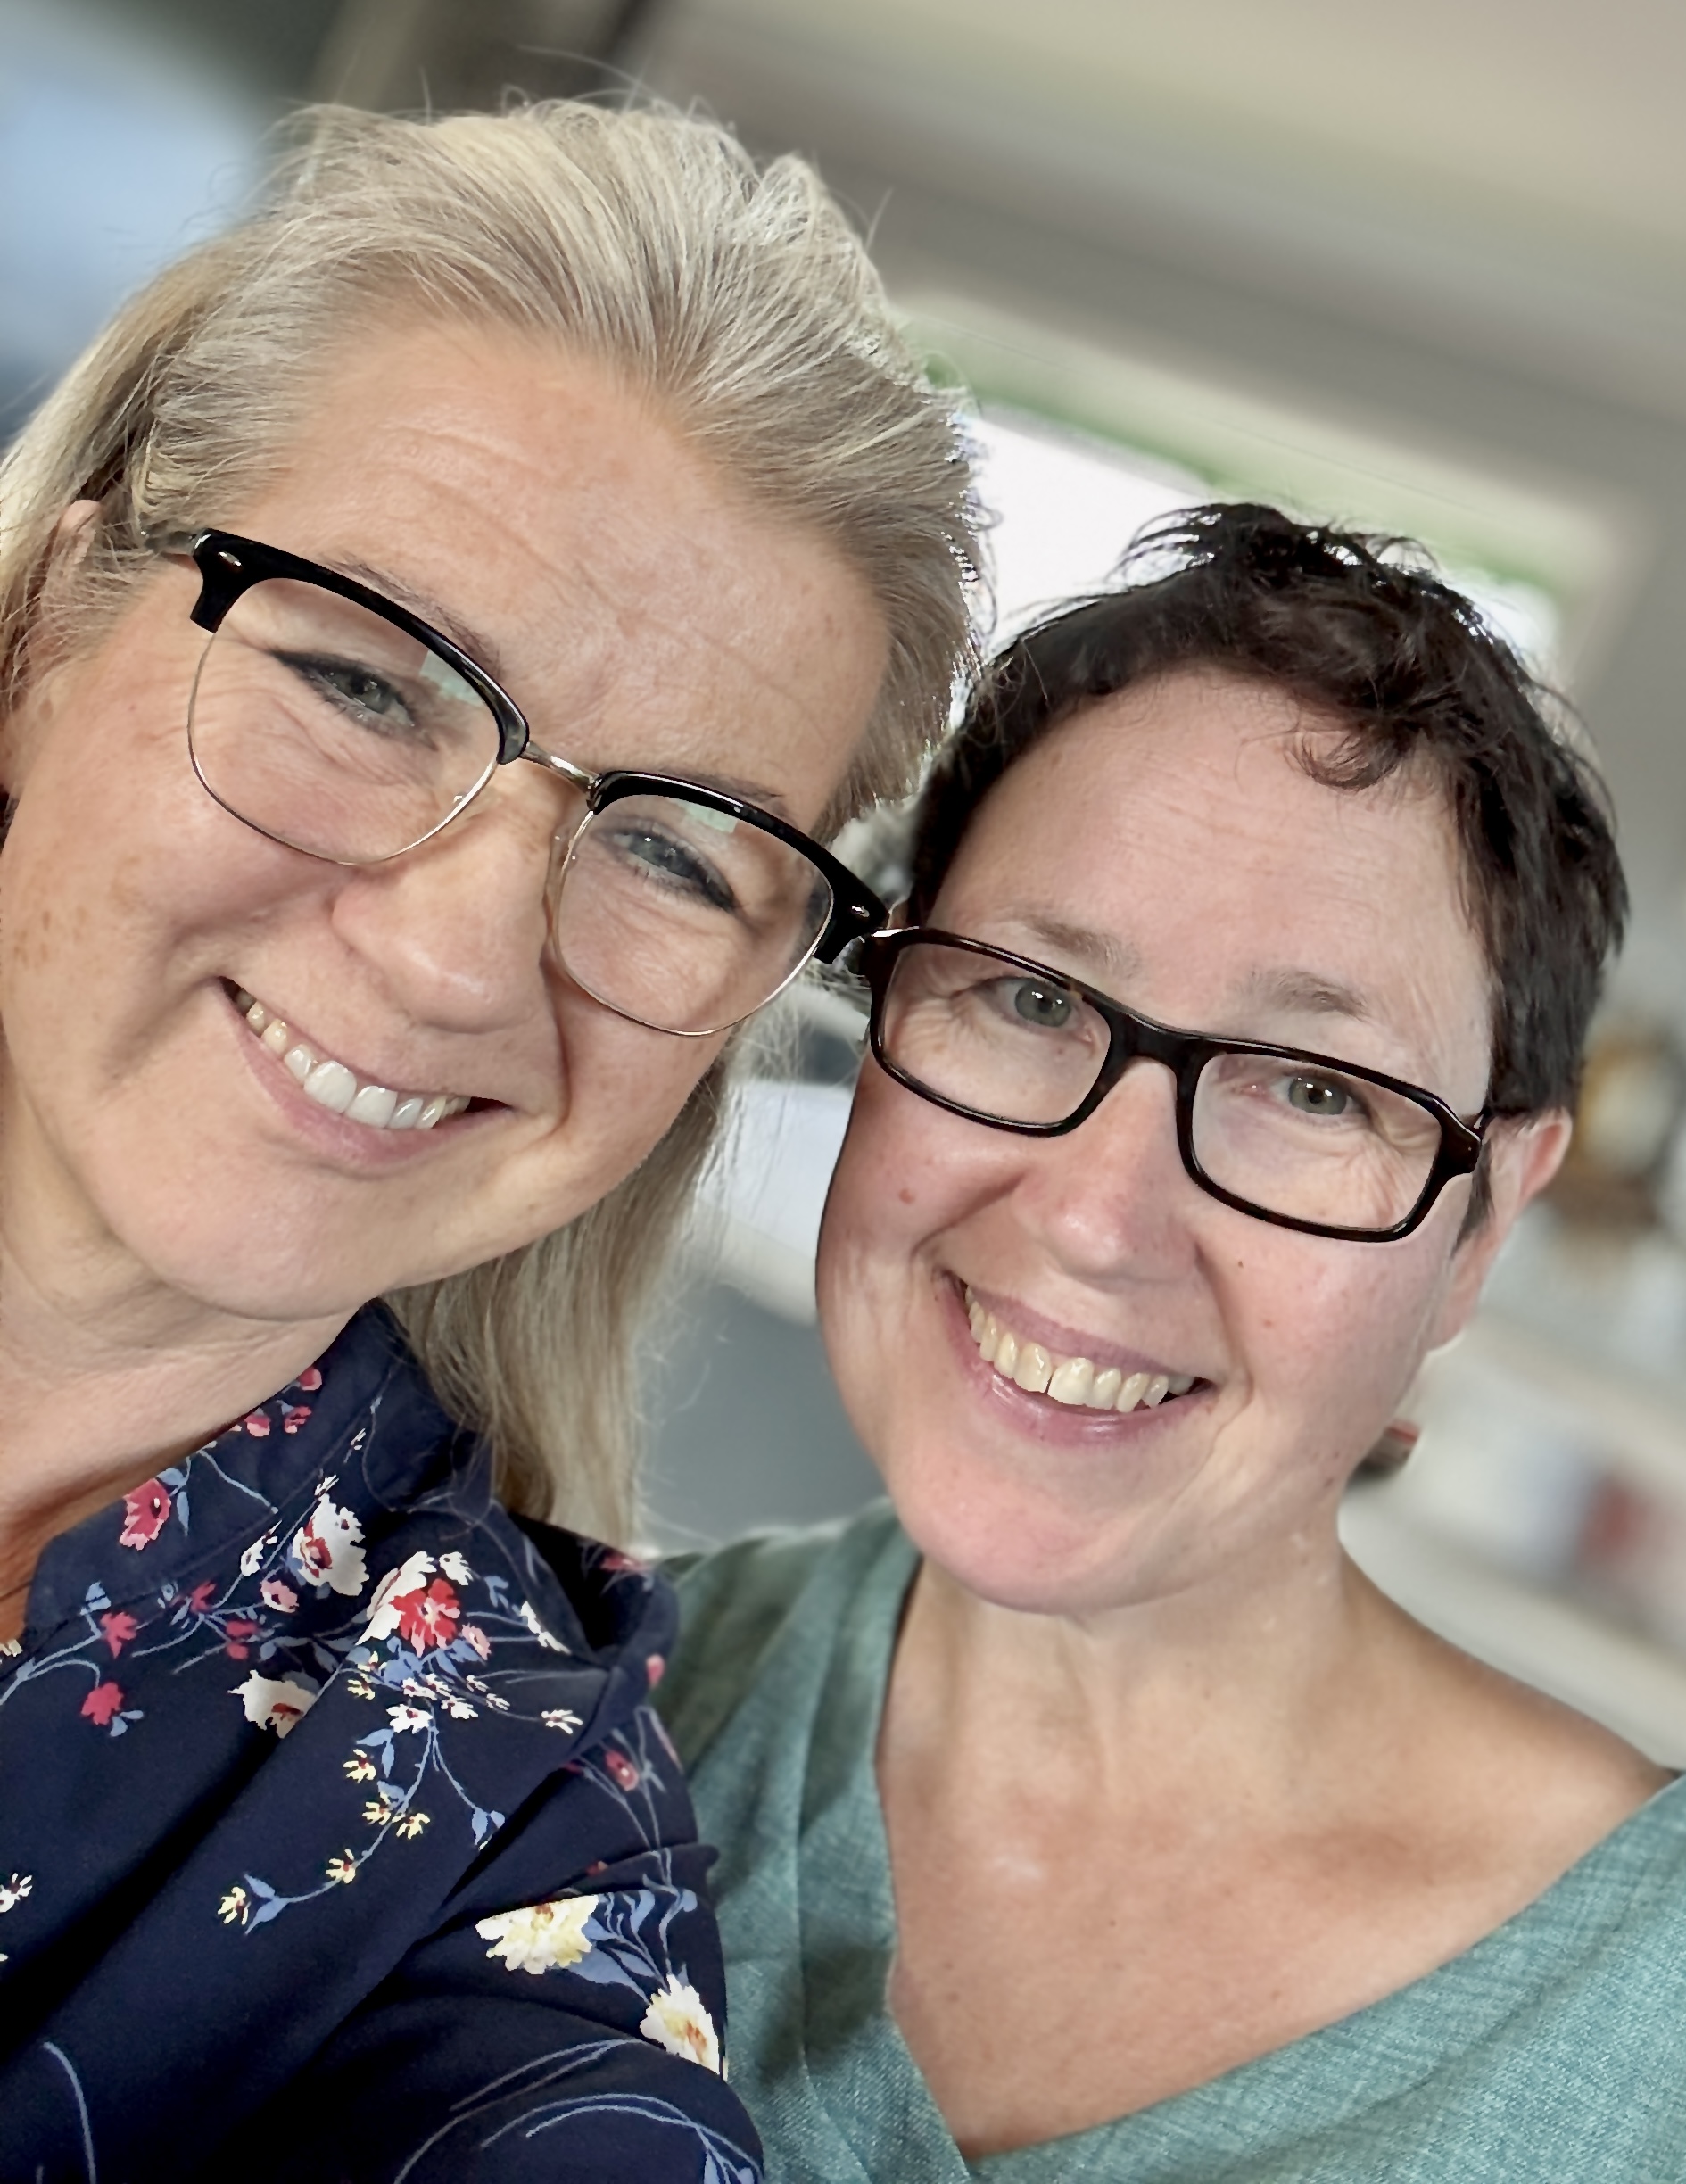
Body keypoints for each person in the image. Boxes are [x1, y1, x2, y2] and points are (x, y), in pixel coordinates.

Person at [0, 98, 977, 2180]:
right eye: (366, 685)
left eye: (674, 853)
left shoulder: (506, 1837)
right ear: (48, 639)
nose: (455, 959)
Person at [658, 505, 1686, 2182]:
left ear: (1480, 1228)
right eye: (1027, 996)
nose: (1099, 1221)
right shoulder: (546, 1720)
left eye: (1313, 1090)